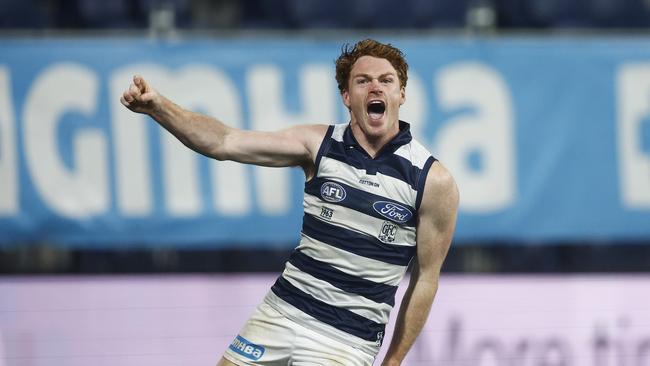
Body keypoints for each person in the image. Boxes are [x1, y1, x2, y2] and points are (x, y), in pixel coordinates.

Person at [120, 38, 458, 366]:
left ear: (402, 94)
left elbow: (426, 277)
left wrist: (394, 360)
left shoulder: (432, 180)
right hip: (281, 311)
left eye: (386, 80)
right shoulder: (318, 144)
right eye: (363, 80)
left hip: (348, 339)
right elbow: (224, 142)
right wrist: (159, 108)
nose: (376, 88)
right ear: (346, 96)